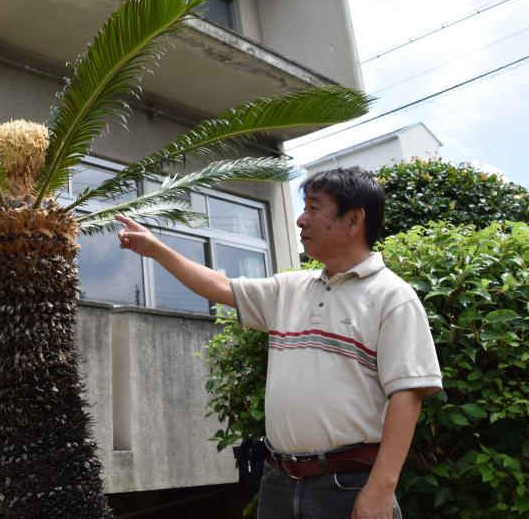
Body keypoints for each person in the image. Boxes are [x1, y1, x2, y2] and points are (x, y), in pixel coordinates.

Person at [116, 167, 441, 519]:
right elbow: (218, 286)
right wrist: (157, 249)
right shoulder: (289, 289)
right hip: (279, 482)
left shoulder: (393, 297)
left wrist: (381, 488)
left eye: (314, 208)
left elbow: (407, 397)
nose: (301, 220)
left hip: (348, 485)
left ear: (354, 219)